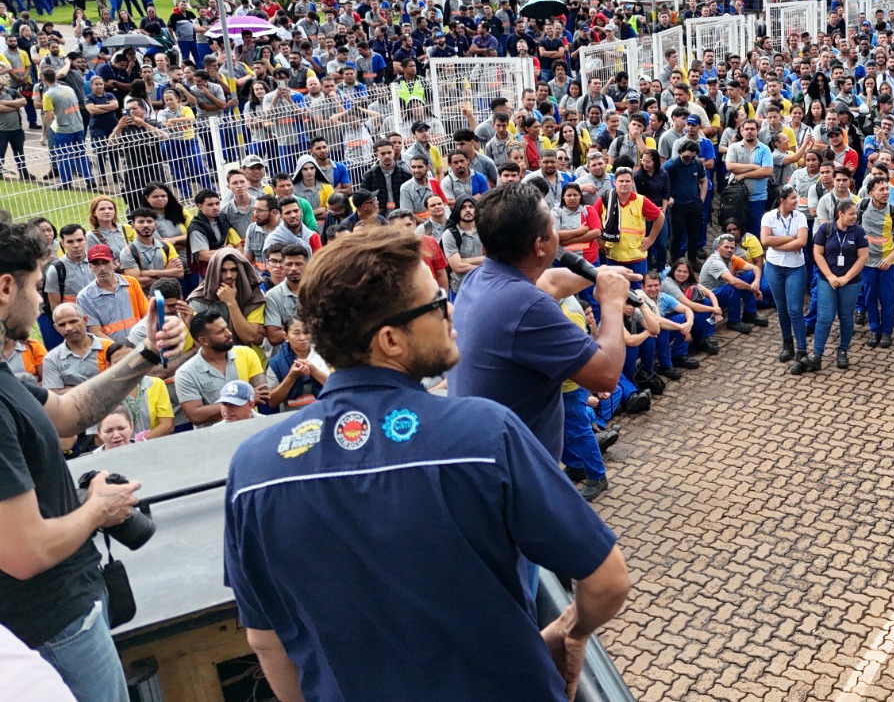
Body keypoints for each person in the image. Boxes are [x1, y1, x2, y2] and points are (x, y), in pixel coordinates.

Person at [222, 228, 631, 702]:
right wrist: (569, 629)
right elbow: (607, 580)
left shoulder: (252, 470)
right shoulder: (485, 434)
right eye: (436, 304)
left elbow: (266, 640)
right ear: (391, 340)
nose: (451, 311)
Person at [0, 220, 182, 702]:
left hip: (63, 614)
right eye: (37, 287)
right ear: (4, 288)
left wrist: (145, 354)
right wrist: (97, 508)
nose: (41, 302)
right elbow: (25, 553)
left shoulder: (6, 380)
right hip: (50, 625)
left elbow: (68, 413)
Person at [450, 183, 636, 503]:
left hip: (487, 461)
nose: (558, 235)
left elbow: (549, 281)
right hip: (517, 479)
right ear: (540, 245)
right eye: (553, 228)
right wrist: (612, 303)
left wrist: (599, 274)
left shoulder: (481, 278)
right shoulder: (527, 306)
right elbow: (605, 374)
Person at [797, 198, 869, 372]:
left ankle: (843, 350)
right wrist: (830, 276)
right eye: (851, 214)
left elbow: (863, 257)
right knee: (825, 317)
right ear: (840, 213)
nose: (855, 217)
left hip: (850, 282)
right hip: (826, 280)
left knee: (846, 317)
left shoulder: (859, 231)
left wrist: (846, 277)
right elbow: (817, 253)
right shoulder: (826, 229)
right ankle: (817, 354)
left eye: (856, 214)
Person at [759, 187, 809, 363]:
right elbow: (765, 241)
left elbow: (802, 241)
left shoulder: (800, 216)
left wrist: (777, 242)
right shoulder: (769, 216)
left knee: (795, 309)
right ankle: (787, 343)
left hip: (795, 268)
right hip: (773, 267)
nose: (796, 201)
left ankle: (802, 349)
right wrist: (790, 239)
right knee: (781, 309)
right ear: (782, 200)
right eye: (793, 198)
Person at [858, 175, 894, 349]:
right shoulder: (861, 206)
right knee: (869, 297)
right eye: (881, 189)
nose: (886, 192)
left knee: (887, 299)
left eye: (887, 189)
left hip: (887, 263)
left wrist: (890, 257)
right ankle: (874, 330)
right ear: (871, 192)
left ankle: (887, 332)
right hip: (867, 263)